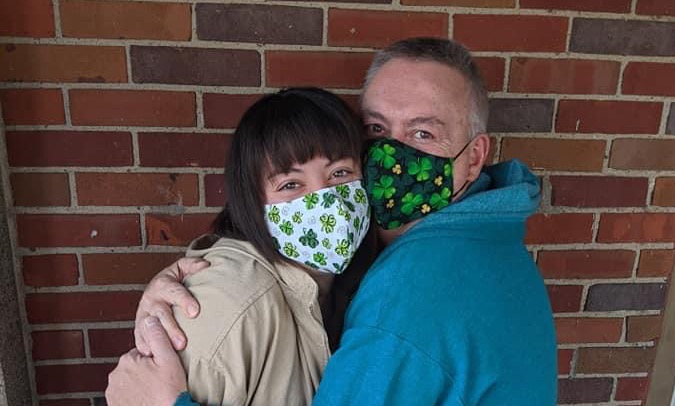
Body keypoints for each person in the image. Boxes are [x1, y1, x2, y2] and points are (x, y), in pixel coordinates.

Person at [108, 37, 557, 405]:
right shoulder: (490, 241)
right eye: (376, 130)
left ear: (474, 157)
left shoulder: (412, 292)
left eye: (423, 133)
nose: (392, 156)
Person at [106, 87, 373, 405]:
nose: (325, 200)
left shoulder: (360, 279)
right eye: (290, 184)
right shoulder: (230, 305)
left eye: (340, 173)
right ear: (252, 202)